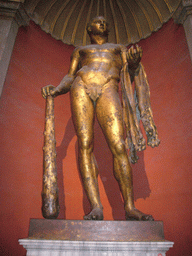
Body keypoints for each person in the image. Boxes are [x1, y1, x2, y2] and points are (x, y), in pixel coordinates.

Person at [42, 16, 159, 221]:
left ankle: (130, 207)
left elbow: (128, 72)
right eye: (97, 21)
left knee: (118, 145)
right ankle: (96, 206)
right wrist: (58, 88)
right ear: (89, 28)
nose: (102, 23)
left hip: (108, 86)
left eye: (105, 21)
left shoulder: (118, 48)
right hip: (81, 86)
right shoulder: (80, 50)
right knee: (85, 144)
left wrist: (133, 64)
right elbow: (70, 75)